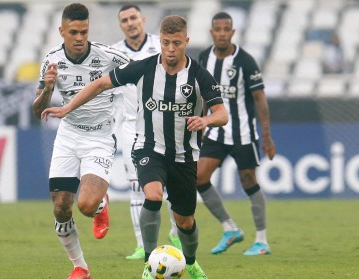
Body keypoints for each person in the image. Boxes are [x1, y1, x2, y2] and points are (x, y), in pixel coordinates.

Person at [42, 15, 228, 279]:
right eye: (166, 43)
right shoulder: (144, 68)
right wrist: (69, 106)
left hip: (184, 155)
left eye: (176, 43)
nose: (171, 49)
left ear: (186, 41)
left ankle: (191, 261)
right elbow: (100, 83)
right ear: (160, 42)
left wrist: (206, 119)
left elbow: (222, 114)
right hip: (149, 149)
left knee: (185, 221)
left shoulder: (199, 75)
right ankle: (149, 266)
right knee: (152, 196)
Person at [32, 4, 130, 279]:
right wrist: (48, 89)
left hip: (99, 136)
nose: (78, 38)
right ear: (61, 31)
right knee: (61, 207)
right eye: (73, 32)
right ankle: (80, 267)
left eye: (84, 32)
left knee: (86, 206)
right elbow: (37, 110)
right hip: (69, 134)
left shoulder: (108, 56)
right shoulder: (51, 61)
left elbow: (143, 73)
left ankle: (100, 205)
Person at [196, 12, 276, 256]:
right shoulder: (203, 58)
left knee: (249, 181)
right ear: (212, 32)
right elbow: (202, 96)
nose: (221, 33)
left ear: (232, 32)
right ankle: (230, 229)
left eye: (226, 29)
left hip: (243, 132)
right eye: (217, 29)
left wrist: (266, 136)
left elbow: (260, 99)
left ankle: (261, 240)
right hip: (215, 131)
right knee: (198, 178)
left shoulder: (246, 61)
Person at [111, 4, 181, 260]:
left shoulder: (162, 45)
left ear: (143, 19)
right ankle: (142, 245)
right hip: (131, 127)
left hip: (164, 122)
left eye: (133, 18)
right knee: (137, 188)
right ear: (121, 25)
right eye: (124, 20)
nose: (130, 23)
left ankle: (176, 234)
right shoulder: (115, 53)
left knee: (173, 186)